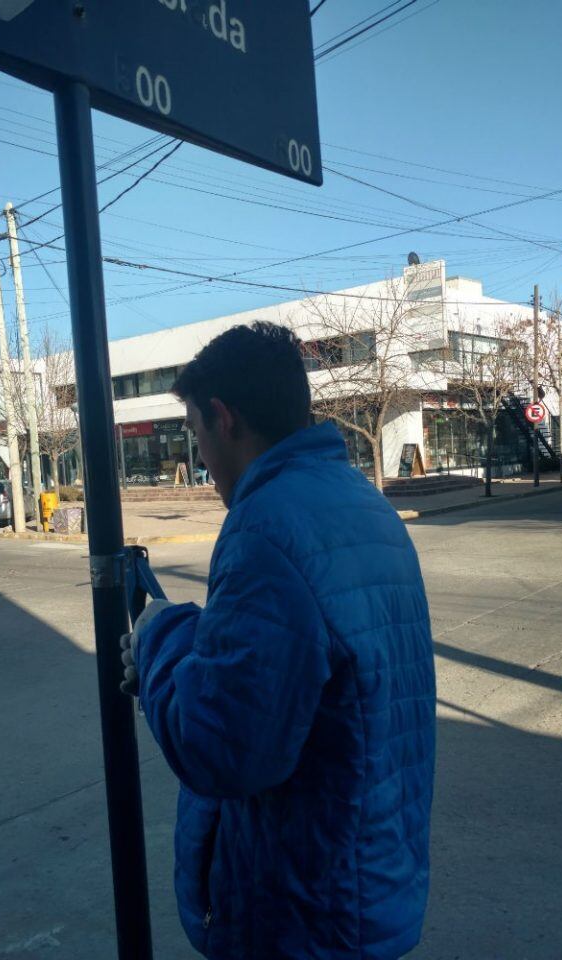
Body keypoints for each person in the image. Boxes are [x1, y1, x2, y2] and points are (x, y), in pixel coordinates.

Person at [123, 322, 436, 960]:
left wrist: (158, 638)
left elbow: (221, 749)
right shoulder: (360, 501)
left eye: (196, 433)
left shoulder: (266, 531)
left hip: (305, 913)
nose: (201, 460)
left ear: (223, 418)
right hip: (373, 879)